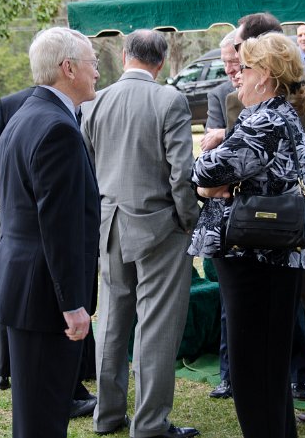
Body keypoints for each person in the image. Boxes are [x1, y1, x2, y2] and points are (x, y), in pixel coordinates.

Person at [216, 13, 305, 429]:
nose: (238, 66)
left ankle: (275, 396)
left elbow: (235, 172)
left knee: (262, 322)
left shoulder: (241, 99)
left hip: (264, 229)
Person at [190, 32, 305, 438]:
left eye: (242, 68)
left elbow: (206, 173)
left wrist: (205, 179)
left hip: (254, 256)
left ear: (265, 74)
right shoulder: (284, 115)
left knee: (252, 371)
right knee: (269, 369)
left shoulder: (263, 119)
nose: (235, 76)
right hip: (275, 256)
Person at [82, 29, 200, 438]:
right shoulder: (169, 99)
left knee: (112, 320)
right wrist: (189, 220)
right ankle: (149, 424)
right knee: (156, 324)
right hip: (159, 225)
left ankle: (108, 415)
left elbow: (90, 164)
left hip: (109, 221)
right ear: (161, 62)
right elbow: (181, 173)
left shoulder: (95, 102)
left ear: (123, 54)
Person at [0, 26, 100, 438]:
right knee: (44, 420)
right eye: (92, 63)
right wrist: (73, 303)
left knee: (37, 416)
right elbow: (60, 227)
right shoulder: (56, 128)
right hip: (44, 296)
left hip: (24, 285)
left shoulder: (25, 114)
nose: (97, 72)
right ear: (67, 68)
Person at [201, 29, 240, 400]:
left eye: (235, 61)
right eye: (225, 62)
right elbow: (212, 151)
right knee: (230, 300)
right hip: (226, 207)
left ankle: (296, 374)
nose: (230, 69)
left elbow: (224, 140)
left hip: (271, 213)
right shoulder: (219, 94)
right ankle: (228, 375)